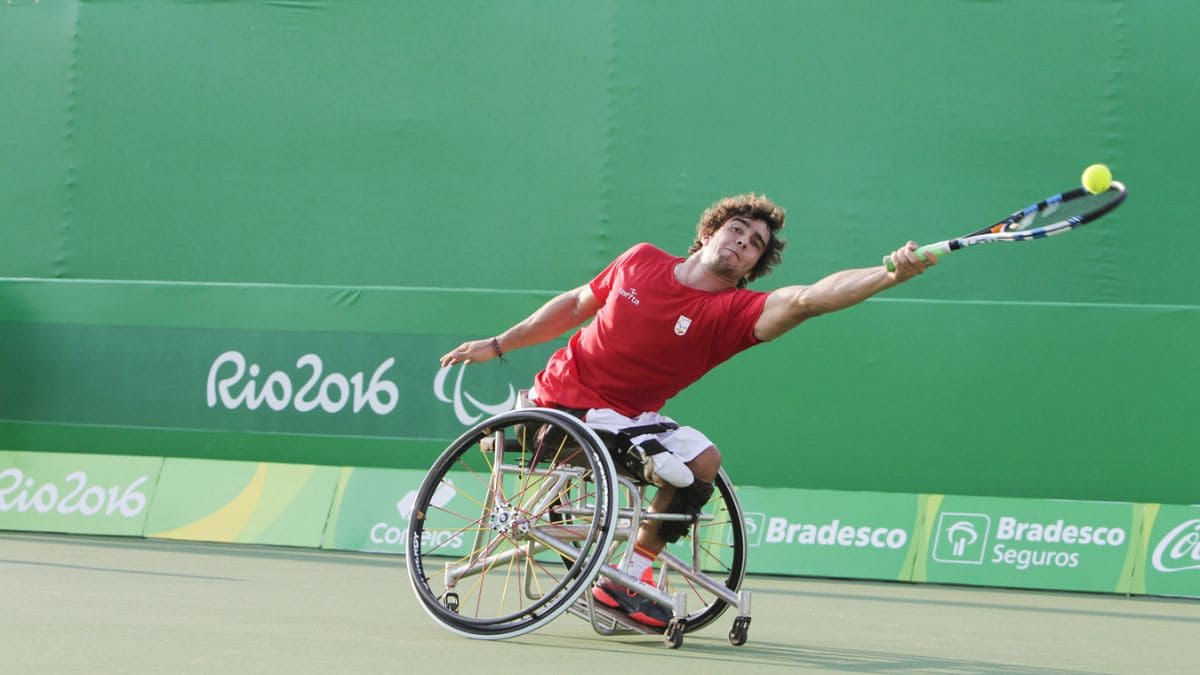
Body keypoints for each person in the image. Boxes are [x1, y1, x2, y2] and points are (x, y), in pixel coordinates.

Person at [439, 193, 935, 627]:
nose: (743, 241)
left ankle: (628, 576)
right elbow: (573, 305)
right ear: (707, 234)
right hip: (560, 406)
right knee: (670, 466)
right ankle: (634, 513)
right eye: (736, 229)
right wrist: (498, 343)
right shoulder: (640, 260)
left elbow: (807, 299)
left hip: (627, 421)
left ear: (751, 268)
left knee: (702, 461)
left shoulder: (735, 314)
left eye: (755, 243)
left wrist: (888, 272)